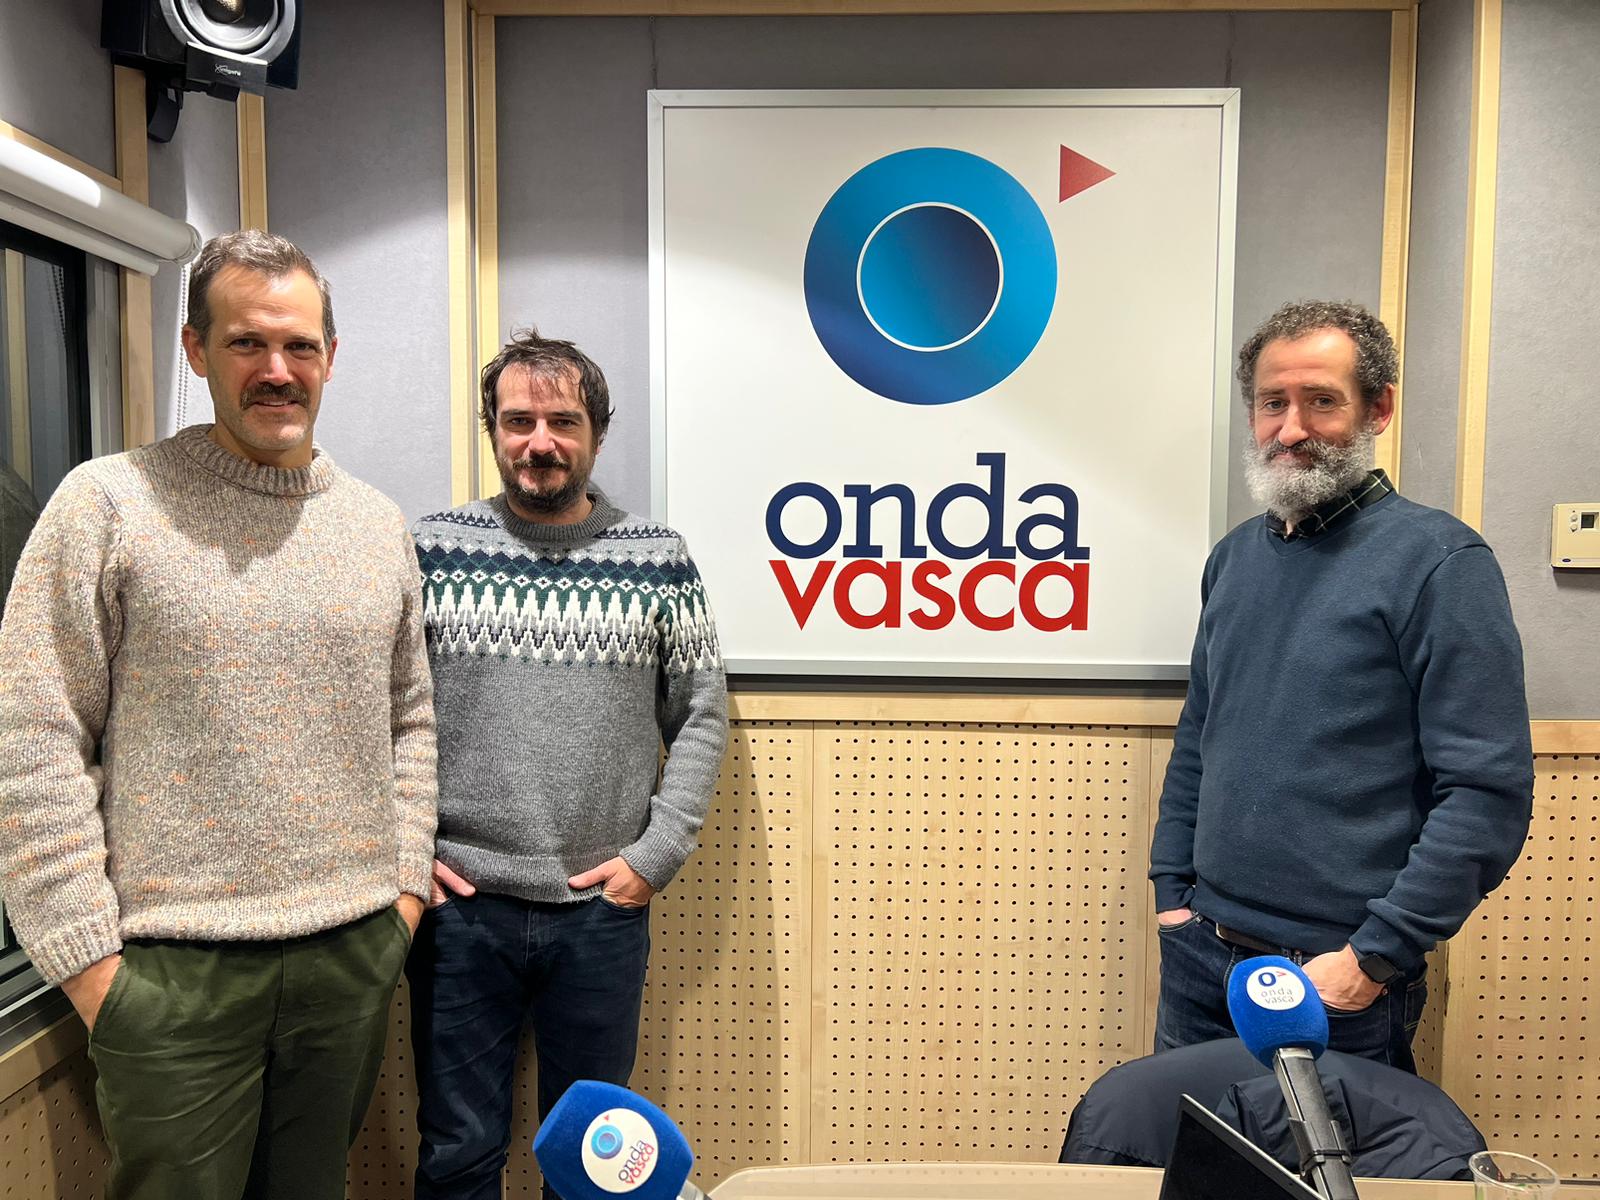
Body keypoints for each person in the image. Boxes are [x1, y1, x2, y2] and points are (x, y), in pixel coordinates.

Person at [0, 231, 437, 1200]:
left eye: (299, 345)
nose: (277, 370)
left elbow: (411, 718)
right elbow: (32, 738)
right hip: (171, 974)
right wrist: (92, 968)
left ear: (331, 356)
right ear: (196, 350)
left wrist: (403, 896)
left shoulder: (376, 525)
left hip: (350, 956)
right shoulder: (106, 507)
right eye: (247, 343)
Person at [1148, 300, 1533, 1072]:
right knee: (1187, 1147)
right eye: (1273, 403)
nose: (1291, 429)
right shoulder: (1233, 560)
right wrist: (1172, 895)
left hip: (1335, 978)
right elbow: (1200, 736)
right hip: (1201, 958)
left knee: (1334, 1157)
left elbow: (1486, 794)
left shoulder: (1440, 564)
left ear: (1377, 409)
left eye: (1321, 400)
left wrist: (1373, 957)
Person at [407, 329, 728, 1200]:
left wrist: (653, 858)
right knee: (457, 1153)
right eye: (519, 421)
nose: (539, 442)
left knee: (597, 1168)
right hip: (458, 912)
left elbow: (701, 713)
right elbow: (381, 714)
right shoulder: (430, 550)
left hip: (600, 913)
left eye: (563, 422)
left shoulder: (658, 560)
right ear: (494, 430)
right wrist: (407, 855)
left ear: (597, 433)